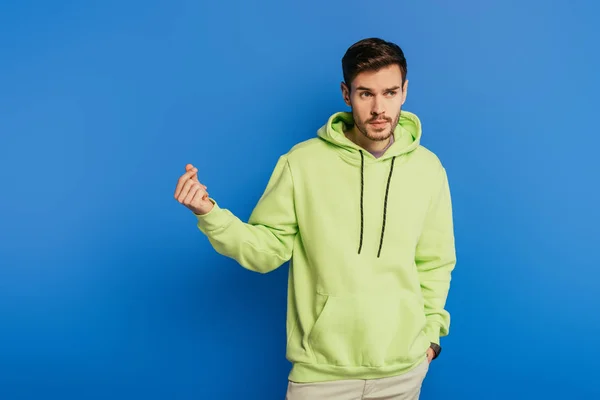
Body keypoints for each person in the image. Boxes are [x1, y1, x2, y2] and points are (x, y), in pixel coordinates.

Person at [174, 37, 456, 400]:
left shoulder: (428, 169)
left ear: (404, 92)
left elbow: (435, 262)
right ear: (346, 93)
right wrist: (209, 213)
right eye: (365, 94)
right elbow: (266, 250)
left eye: (389, 92)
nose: (378, 107)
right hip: (321, 375)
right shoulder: (302, 163)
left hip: (402, 371)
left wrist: (430, 338)